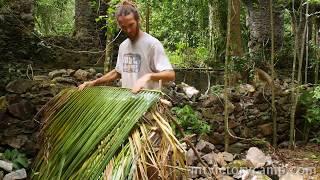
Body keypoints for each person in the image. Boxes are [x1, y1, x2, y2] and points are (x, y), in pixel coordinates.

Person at [78, 0, 175, 93]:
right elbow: (118, 72)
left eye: (131, 25)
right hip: (128, 104)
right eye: (123, 27)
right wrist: (94, 82)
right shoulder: (123, 46)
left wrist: (148, 76)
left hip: (147, 104)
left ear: (138, 20)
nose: (128, 30)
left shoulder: (152, 44)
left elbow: (170, 74)